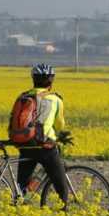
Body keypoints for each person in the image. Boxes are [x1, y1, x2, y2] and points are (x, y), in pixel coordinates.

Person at [15, 63, 69, 204]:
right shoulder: (55, 99)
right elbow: (59, 125)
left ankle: (18, 206)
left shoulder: (23, 97)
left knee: (21, 187)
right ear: (51, 82)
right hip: (45, 146)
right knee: (61, 185)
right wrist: (60, 136)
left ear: (33, 79)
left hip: (25, 145)